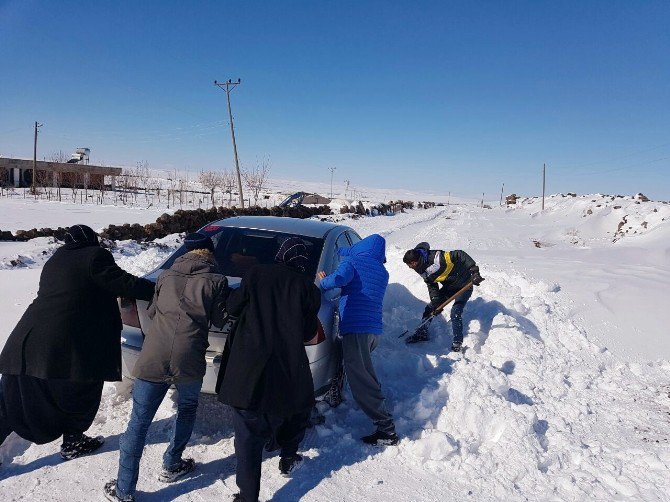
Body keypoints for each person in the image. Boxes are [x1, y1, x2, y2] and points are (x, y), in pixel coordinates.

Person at [0, 224, 154, 462]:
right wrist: (161, 289)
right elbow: (124, 283)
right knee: (83, 389)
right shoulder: (95, 256)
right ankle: (73, 441)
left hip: (23, 340)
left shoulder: (55, 260)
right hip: (63, 345)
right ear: (92, 241)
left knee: (12, 400)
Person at [104, 233, 229, 502]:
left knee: (138, 421)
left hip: (154, 355)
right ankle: (172, 464)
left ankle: (124, 489)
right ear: (209, 255)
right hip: (190, 357)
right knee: (186, 409)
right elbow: (219, 319)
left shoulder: (164, 276)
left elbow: (152, 312)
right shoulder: (216, 281)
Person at [217, 236, 321, 502]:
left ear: (280, 255)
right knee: (295, 407)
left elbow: (233, 307)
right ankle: (287, 456)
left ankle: (248, 496)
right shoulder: (308, 288)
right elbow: (309, 332)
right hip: (287, 364)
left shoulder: (256, 274)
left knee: (248, 433)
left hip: (248, 363)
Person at [318, 234, 398, 447]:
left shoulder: (354, 261)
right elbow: (348, 254)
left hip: (356, 329)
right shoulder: (381, 270)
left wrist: (321, 281)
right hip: (372, 332)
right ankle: (382, 416)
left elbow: (339, 279)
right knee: (366, 376)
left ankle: (386, 430)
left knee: (362, 381)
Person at [402, 242, 484, 350]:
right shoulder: (420, 268)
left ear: (414, 262)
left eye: (409, 265)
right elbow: (431, 285)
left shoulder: (437, 258)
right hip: (449, 288)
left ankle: (457, 343)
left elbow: (459, 254)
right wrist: (436, 302)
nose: (409, 267)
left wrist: (474, 271)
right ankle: (421, 334)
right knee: (430, 308)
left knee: (455, 312)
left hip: (465, 285)